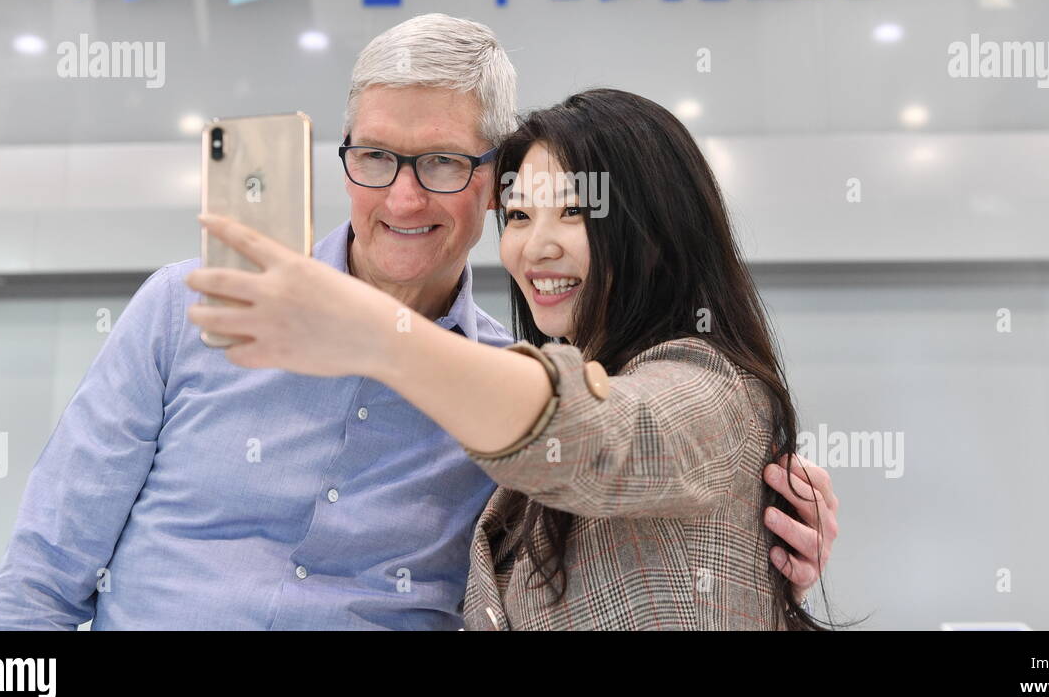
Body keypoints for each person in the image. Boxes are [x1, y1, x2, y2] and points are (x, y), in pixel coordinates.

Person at [0, 15, 838, 629]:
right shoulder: (185, 307)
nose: (400, 195)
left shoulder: (503, 390)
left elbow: (624, 442)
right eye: (377, 155)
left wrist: (753, 514)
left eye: (440, 162)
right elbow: (44, 573)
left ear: (486, 177)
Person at [188, 88, 840, 629]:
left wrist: (376, 333)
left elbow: (601, 434)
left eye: (575, 213)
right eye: (521, 215)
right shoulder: (518, 374)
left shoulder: (714, 390)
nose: (536, 247)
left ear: (658, 233)